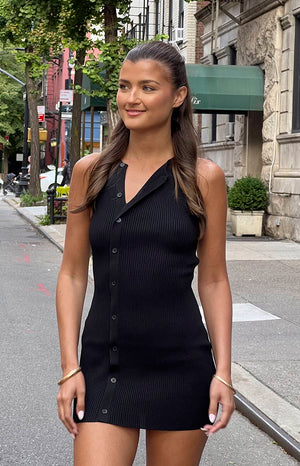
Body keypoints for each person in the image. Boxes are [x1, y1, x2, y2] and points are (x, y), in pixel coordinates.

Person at [56, 41, 235, 466]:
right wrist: (69, 367)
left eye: (147, 87)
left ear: (178, 96)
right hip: (106, 364)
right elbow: (72, 275)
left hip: (180, 365)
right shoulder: (92, 172)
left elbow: (213, 279)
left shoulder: (203, 178)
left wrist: (223, 372)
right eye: (124, 86)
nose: (131, 98)